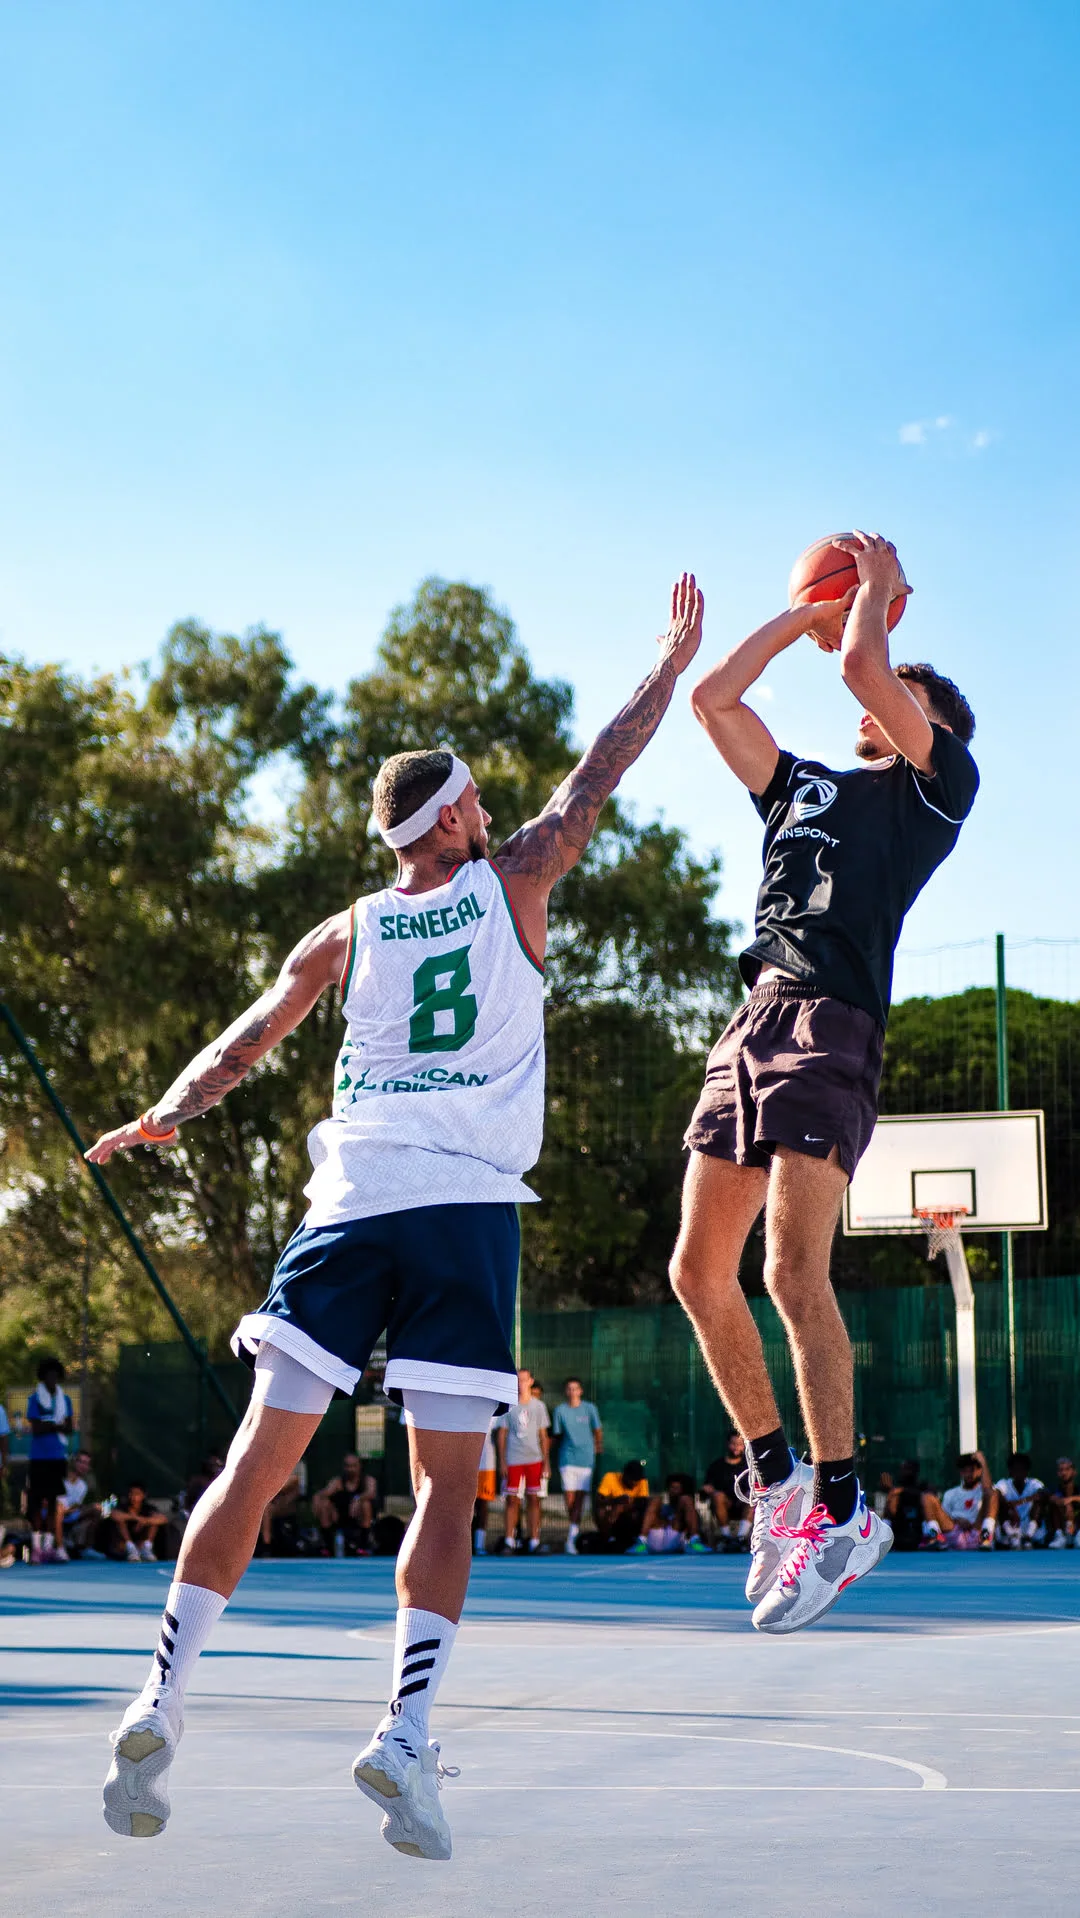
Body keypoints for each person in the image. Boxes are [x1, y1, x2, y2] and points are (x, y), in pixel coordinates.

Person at [87, 574, 705, 1859]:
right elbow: (600, 770)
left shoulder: (347, 928)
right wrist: (668, 661)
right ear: (463, 813)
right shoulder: (518, 873)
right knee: (445, 1487)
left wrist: (165, 1112)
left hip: (351, 1198)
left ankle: (160, 1694)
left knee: (260, 1459)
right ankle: (404, 1734)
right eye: (479, 797)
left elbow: (249, 1042)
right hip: (464, 1212)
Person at [671, 531, 978, 1633]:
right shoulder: (804, 789)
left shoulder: (939, 789)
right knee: (698, 1272)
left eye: (904, 684)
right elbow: (712, 698)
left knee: (792, 1270)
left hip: (830, 1026)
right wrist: (801, 617)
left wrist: (875, 600)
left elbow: (861, 669)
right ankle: (778, 1479)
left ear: (927, 720)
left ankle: (845, 1509)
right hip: (750, 1019)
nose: (877, 687)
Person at [495, 1368, 551, 1555]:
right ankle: (509, 1540)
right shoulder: (508, 1405)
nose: (521, 1383)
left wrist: (546, 1461)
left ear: (531, 1381)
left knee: (534, 1499)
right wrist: (502, 1461)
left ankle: (535, 1540)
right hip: (513, 1459)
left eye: (524, 1380)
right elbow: (502, 1435)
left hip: (534, 1459)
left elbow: (543, 1436)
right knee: (512, 1500)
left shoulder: (539, 1406)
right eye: (518, 1380)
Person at [27, 1357, 74, 1562]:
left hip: (57, 1457)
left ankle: (48, 1545)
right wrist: (56, 1424)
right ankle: (36, 1547)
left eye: (56, 1375)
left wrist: (49, 1424)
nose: (52, 1379)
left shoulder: (65, 1400)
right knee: (37, 1501)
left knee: (54, 1501)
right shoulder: (35, 1399)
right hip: (39, 1458)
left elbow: (70, 1428)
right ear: (43, 1377)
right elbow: (36, 1429)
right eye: (49, 1375)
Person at [551, 1378, 602, 1554]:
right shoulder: (560, 1410)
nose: (573, 1392)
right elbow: (557, 1435)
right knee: (571, 1501)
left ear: (580, 1391)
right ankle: (574, 1532)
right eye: (569, 1389)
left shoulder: (590, 1408)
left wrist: (597, 1448)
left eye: (575, 1389)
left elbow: (597, 1431)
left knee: (579, 1500)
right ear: (566, 1392)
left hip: (586, 1460)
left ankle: (571, 1539)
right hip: (566, 1459)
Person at [626, 1472, 710, 1556]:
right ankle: (641, 1542)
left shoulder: (687, 1504)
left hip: (675, 1538)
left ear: (682, 1490)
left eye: (676, 1488)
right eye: (671, 1488)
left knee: (686, 1499)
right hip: (655, 1538)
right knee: (656, 1499)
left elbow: (690, 1522)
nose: (673, 1491)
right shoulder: (662, 1503)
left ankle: (695, 1543)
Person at [313, 1454, 375, 1555]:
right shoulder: (338, 1482)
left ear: (359, 1466)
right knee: (325, 1505)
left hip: (358, 1517)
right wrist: (321, 1500)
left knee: (366, 1505)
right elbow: (325, 1493)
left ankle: (364, 1545)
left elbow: (371, 1493)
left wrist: (358, 1499)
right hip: (340, 1517)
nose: (350, 1469)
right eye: (347, 1466)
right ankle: (328, 1546)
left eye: (353, 1466)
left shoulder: (368, 1480)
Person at [702, 1432, 752, 1550]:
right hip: (724, 1504)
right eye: (733, 1444)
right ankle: (726, 1537)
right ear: (727, 1444)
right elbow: (707, 1486)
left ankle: (741, 1538)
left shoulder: (749, 1464)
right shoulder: (717, 1465)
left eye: (740, 1444)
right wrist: (708, 1489)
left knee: (752, 1496)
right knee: (718, 1496)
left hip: (744, 1503)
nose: (736, 1447)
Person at [990, 1453, 1046, 1548]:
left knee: (1039, 1504)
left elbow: (1042, 1494)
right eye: (1015, 1470)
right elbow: (996, 1494)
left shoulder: (1034, 1483)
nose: (1018, 1473)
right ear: (1010, 1471)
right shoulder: (1004, 1483)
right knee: (1000, 1504)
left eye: (1022, 1470)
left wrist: (1018, 1502)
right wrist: (1011, 1508)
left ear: (1027, 1471)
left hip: (1028, 1524)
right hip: (1011, 1524)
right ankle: (1012, 1536)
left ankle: (1029, 1536)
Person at [594, 1460, 651, 1552]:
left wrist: (627, 1505)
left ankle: (641, 1541)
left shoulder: (642, 1481)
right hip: (613, 1517)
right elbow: (599, 1500)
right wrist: (616, 1501)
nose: (635, 1483)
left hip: (631, 1517)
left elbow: (643, 1502)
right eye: (632, 1479)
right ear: (625, 1475)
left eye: (637, 1479)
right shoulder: (610, 1477)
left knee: (649, 1505)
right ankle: (609, 1539)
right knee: (601, 1509)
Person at [939, 1451, 992, 1550]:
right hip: (955, 1535)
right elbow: (944, 1519)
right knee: (928, 1498)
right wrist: (957, 1520)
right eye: (964, 1471)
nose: (968, 1475)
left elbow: (988, 1491)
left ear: (980, 1471)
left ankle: (985, 1538)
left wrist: (983, 1462)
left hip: (977, 1533)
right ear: (960, 1472)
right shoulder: (950, 1493)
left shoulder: (985, 1492)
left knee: (991, 1494)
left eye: (972, 1470)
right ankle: (933, 1538)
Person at [59, 1450, 104, 1558]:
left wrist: (78, 1509)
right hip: (53, 1515)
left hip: (69, 1516)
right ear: (73, 1462)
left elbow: (74, 1507)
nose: (84, 1466)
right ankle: (60, 1545)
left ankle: (85, 1548)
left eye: (87, 1463)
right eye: (81, 1461)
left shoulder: (82, 1486)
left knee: (98, 1509)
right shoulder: (60, 1479)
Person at [109, 1484, 170, 1563]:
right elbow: (114, 1515)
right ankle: (131, 1548)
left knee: (153, 1523)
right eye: (131, 1493)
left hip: (141, 1543)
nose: (133, 1497)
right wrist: (137, 1518)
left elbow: (163, 1519)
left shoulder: (148, 1508)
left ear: (143, 1495)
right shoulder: (122, 1507)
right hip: (123, 1545)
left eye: (137, 1494)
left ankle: (147, 1548)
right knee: (120, 1522)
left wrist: (146, 1521)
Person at [473, 1417, 498, 1556]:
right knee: (466, 1505)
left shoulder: (495, 1410)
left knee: (483, 1504)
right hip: (466, 1462)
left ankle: (479, 1544)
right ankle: (464, 1545)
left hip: (486, 1464)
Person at [1047, 1457, 1080, 1549]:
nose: (1064, 1473)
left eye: (1067, 1469)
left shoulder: (1078, 1489)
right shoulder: (1053, 1489)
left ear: (1074, 1472)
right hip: (1062, 1523)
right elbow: (1050, 1497)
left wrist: (1071, 1499)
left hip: (1076, 1526)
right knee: (1054, 1505)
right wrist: (1065, 1503)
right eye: (1061, 1470)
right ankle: (1060, 1536)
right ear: (1058, 1473)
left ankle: (1077, 1535)